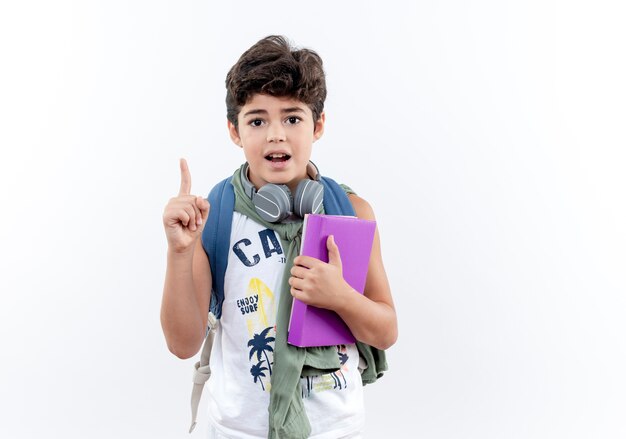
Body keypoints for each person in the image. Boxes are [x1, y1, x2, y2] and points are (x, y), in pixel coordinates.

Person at [161, 35, 397, 439]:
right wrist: (180, 252)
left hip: (335, 430)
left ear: (317, 125)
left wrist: (340, 297)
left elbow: (386, 330)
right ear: (234, 131)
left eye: (292, 118)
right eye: (256, 120)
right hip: (240, 431)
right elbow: (183, 344)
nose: (276, 134)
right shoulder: (214, 215)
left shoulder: (352, 212)